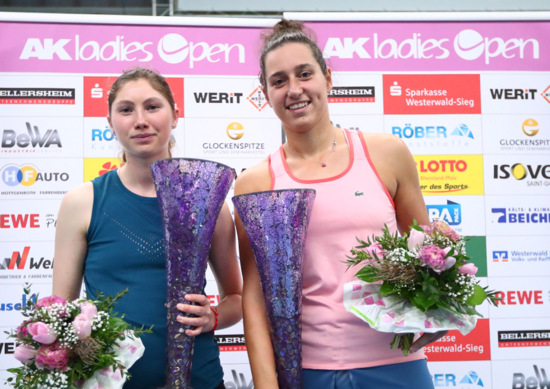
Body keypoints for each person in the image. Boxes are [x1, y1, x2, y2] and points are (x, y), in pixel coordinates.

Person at [233, 20, 445, 388]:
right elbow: (254, 296)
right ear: (265, 94)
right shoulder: (254, 182)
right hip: (310, 372)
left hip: (398, 365)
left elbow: (427, 253)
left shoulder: (386, 154)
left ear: (328, 78)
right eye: (279, 81)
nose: (294, 89)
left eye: (304, 74)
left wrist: (438, 312)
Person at [53, 67, 243, 389]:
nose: (140, 120)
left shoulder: (209, 204)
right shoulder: (81, 201)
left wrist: (214, 317)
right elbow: (63, 310)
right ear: (111, 122)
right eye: (126, 110)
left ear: (175, 115)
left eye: (152, 107)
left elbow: (237, 297)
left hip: (201, 379)